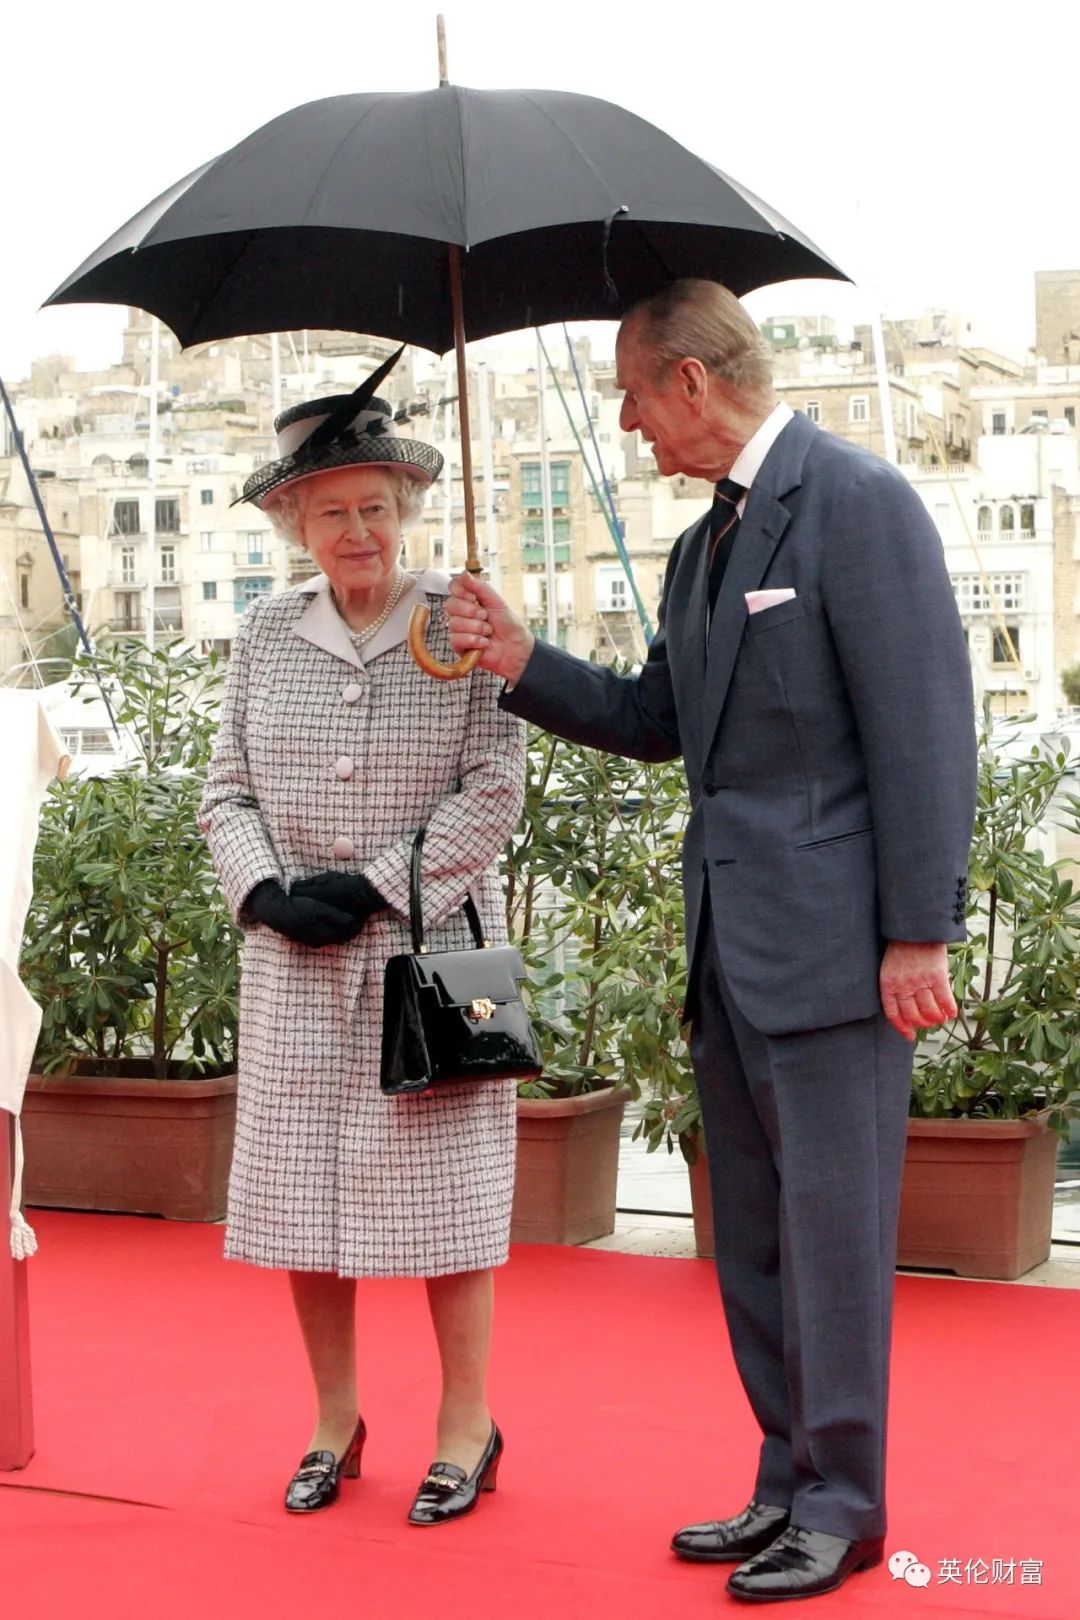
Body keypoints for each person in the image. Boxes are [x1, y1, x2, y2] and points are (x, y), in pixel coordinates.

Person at [446, 279, 976, 1602]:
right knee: (754, 1244)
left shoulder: (858, 502)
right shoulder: (700, 550)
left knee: (837, 1243)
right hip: (726, 957)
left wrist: (920, 931)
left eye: (632, 394)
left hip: (843, 956)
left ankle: (847, 1508)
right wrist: (518, 656)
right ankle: (786, 1481)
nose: (625, 424)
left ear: (691, 381)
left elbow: (924, 731)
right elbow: (650, 718)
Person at [199, 357, 524, 1526]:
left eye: (375, 506)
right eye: (331, 510)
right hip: (293, 963)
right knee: (300, 1202)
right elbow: (222, 791)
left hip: (436, 960)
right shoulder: (262, 633)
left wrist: (376, 883)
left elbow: (495, 794)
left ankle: (467, 1424)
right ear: (293, 520)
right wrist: (266, 893)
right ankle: (335, 1419)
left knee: (451, 1201)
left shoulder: (461, 624)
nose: (356, 530)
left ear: (406, 509)